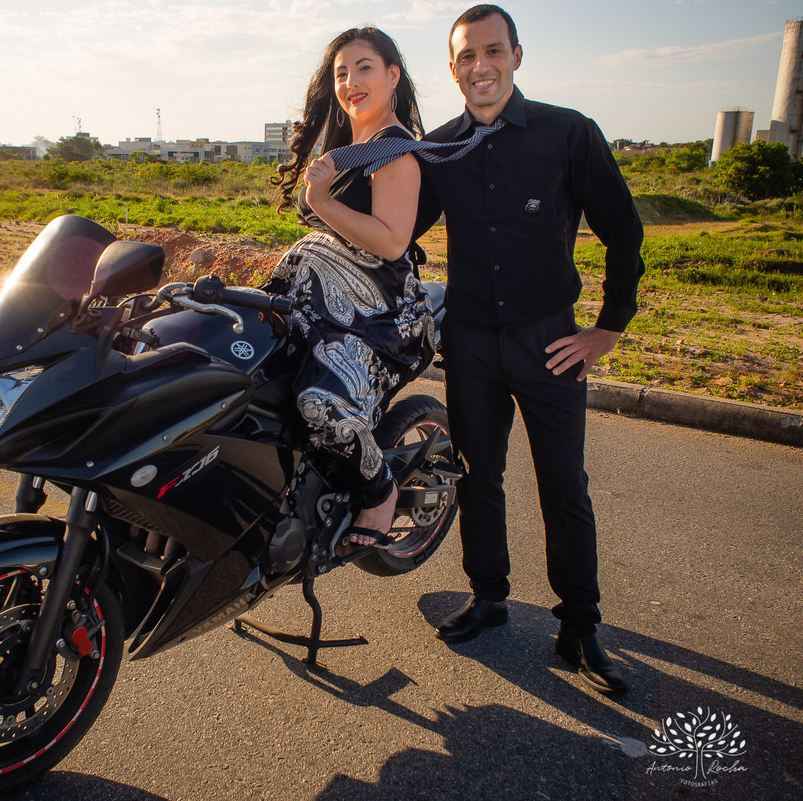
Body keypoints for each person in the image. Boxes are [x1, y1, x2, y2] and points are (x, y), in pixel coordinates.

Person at [414, 4, 644, 694]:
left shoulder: (568, 133)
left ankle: (580, 624)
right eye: (465, 56)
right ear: (452, 68)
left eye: (492, 52)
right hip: (471, 343)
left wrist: (608, 329)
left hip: (551, 341)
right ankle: (489, 597)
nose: (480, 66)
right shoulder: (441, 145)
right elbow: (399, 228)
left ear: (516, 55)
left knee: (563, 485)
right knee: (477, 477)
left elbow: (625, 232)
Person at [267, 27, 436, 548]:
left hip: (374, 316)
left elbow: (390, 242)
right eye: (341, 72)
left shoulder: (394, 150)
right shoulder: (351, 147)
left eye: (364, 68)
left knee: (320, 404)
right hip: (317, 308)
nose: (350, 82)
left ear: (392, 75)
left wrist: (322, 204)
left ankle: (377, 491)